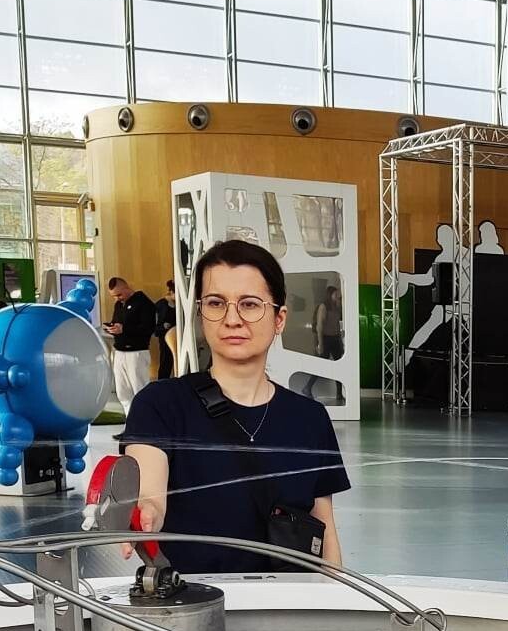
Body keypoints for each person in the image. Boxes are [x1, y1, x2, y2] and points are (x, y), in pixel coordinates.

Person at [122, 240, 348, 575]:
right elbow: (150, 493)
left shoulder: (310, 419)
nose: (232, 319)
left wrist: (337, 599)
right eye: (216, 303)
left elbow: (323, 528)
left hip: (291, 601)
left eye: (250, 304)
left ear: (279, 319)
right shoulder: (160, 404)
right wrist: (146, 513)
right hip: (197, 601)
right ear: (201, 314)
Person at [105, 276, 157, 415]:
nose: (117, 298)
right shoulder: (118, 304)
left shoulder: (144, 303)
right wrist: (113, 328)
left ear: (127, 288)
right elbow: (117, 322)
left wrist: (124, 329)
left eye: (119, 294)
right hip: (119, 352)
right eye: (114, 296)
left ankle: (146, 422)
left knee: (140, 391)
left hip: (136, 353)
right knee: (123, 393)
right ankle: (130, 422)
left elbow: (148, 329)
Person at [314, 284, 344, 362]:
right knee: (323, 360)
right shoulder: (323, 307)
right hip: (326, 338)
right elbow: (320, 326)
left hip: (336, 337)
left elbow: (337, 323)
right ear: (330, 294)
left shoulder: (336, 307)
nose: (337, 296)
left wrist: (340, 338)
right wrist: (320, 344)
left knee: (339, 358)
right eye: (335, 294)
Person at [153, 279, 176, 380]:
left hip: (176, 336)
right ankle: (162, 381)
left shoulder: (178, 304)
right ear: (171, 292)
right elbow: (154, 326)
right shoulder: (160, 305)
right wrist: (163, 326)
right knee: (166, 361)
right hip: (165, 337)